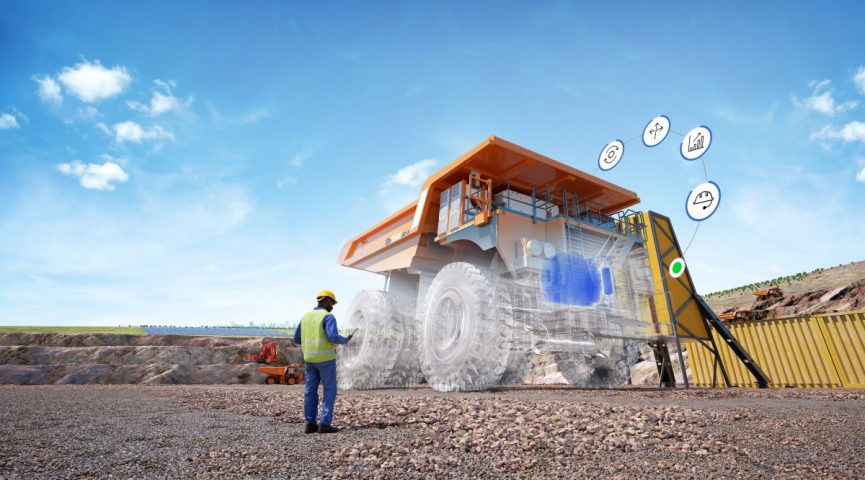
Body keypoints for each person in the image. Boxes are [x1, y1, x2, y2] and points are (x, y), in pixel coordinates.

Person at [292, 290, 352, 434]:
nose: (332, 306)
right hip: (325, 360)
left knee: (310, 391)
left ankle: (310, 424)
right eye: (331, 303)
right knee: (329, 390)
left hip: (309, 360)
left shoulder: (305, 317)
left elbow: (296, 339)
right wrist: (345, 340)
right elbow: (332, 337)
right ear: (326, 301)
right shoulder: (328, 317)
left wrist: (310, 345)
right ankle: (324, 424)